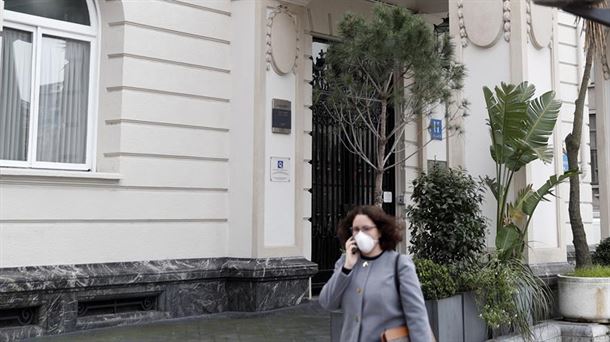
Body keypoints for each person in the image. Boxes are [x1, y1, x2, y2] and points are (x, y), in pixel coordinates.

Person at [319, 205, 432, 342]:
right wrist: (346, 267)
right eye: (355, 230)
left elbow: (417, 317)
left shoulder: (400, 264)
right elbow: (327, 302)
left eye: (366, 229)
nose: (360, 234)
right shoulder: (345, 262)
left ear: (379, 231)